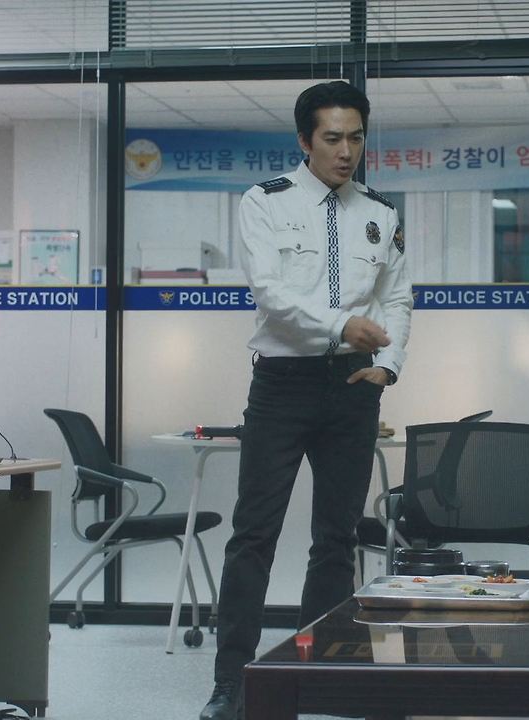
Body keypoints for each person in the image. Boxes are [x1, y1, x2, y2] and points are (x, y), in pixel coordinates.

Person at [200, 80, 412, 720]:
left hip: (353, 387)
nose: (346, 152)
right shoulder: (265, 202)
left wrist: (388, 367)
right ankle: (233, 682)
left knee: (336, 539)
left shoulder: (380, 212)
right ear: (304, 140)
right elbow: (270, 291)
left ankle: (317, 671)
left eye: (356, 138)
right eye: (332, 138)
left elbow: (397, 298)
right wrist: (342, 324)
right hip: (283, 385)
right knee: (253, 535)